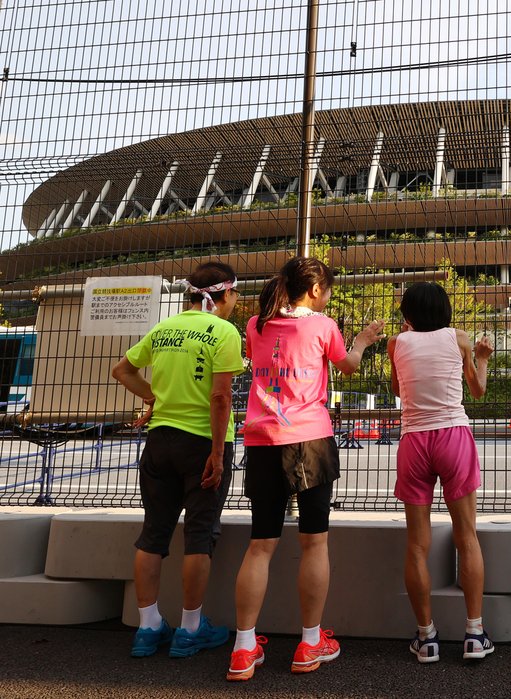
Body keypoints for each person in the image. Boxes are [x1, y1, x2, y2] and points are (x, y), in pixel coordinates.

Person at [226, 256, 385, 681]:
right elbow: (348, 366)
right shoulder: (322, 325)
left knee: (261, 543)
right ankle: (310, 640)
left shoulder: (255, 326)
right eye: (328, 289)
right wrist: (365, 339)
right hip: (310, 439)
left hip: (262, 440)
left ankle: (243, 648)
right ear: (315, 291)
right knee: (314, 542)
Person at [111, 261, 243, 659]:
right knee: (199, 535)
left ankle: (148, 627)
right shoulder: (223, 331)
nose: (236, 301)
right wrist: (218, 454)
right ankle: (189, 629)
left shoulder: (164, 328)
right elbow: (220, 397)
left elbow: (123, 370)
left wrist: (153, 399)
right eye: (235, 294)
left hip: (160, 442)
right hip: (202, 443)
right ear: (224, 294)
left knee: (154, 534)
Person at [387, 281, 494, 663]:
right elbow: (477, 390)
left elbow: (399, 390)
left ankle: (426, 637)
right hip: (453, 435)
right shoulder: (460, 338)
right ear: (446, 311)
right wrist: (481, 357)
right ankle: (474, 634)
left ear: (408, 315)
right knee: (467, 537)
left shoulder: (396, 344)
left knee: (417, 544)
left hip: (414, 440)